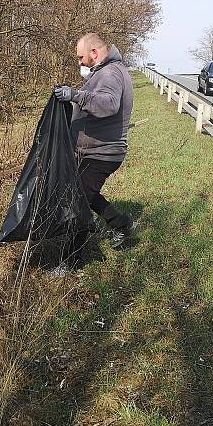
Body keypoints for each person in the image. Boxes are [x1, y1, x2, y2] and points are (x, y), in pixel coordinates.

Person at [53, 32, 136, 266]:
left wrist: (75, 95)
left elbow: (108, 104)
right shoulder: (107, 71)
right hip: (96, 150)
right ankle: (122, 224)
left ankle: (70, 261)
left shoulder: (109, 73)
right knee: (85, 195)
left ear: (94, 53)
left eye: (81, 57)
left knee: (77, 202)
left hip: (102, 153)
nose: (79, 63)